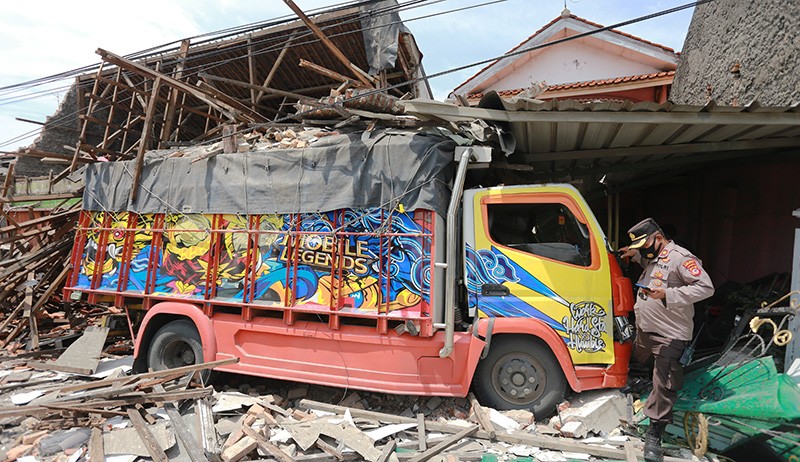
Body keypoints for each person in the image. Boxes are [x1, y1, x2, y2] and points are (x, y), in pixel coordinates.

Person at [620, 218, 714, 462]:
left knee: (665, 383)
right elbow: (654, 268)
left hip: (670, 334)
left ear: (658, 238)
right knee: (645, 369)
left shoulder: (681, 258)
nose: (643, 250)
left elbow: (705, 288)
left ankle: (654, 434)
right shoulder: (653, 256)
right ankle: (646, 399)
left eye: (644, 245)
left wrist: (668, 294)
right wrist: (635, 255)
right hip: (646, 330)